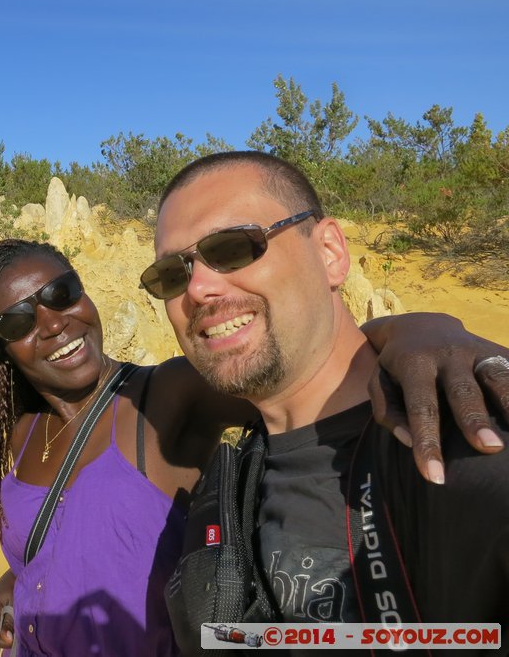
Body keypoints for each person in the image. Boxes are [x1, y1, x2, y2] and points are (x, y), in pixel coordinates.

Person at [0, 237, 508, 655]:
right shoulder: (23, 433)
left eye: (62, 293)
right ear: (0, 349)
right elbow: (77, 533)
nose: (53, 322)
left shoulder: (165, 397)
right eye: (20, 319)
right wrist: (21, 581)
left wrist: (428, 329)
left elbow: (316, 362)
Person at [148, 151, 509, 652]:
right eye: (171, 274)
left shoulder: (463, 446)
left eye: (232, 247)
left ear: (331, 254)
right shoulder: (239, 477)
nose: (199, 288)